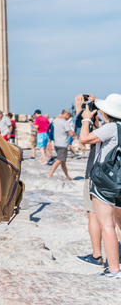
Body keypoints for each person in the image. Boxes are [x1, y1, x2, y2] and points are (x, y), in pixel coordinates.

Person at [76, 93, 121, 278]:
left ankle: (113, 269)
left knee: (107, 225)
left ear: (106, 112)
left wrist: (86, 118)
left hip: (105, 181)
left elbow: (84, 139)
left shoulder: (110, 127)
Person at [47, 110, 75, 180]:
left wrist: (49, 141)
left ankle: (67, 176)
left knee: (63, 162)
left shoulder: (55, 120)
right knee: (59, 160)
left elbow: (50, 130)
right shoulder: (65, 122)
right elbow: (71, 134)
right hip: (63, 144)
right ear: (67, 114)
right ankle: (50, 174)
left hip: (56, 143)